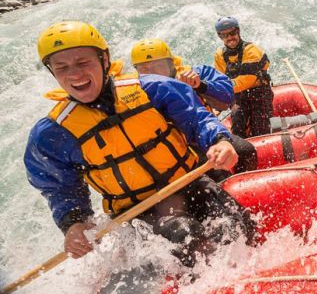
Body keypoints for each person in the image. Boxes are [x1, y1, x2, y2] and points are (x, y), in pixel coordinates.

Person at [25, 22, 255, 266]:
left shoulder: (152, 88)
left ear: (104, 60)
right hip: (138, 212)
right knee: (183, 234)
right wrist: (73, 222)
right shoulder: (53, 133)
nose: (74, 74)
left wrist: (219, 140)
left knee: (237, 225)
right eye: (62, 68)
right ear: (52, 72)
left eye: (83, 63)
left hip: (190, 183)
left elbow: (196, 118)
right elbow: (60, 187)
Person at [130, 38, 258, 175]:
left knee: (246, 150)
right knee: (217, 174)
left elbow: (228, 95)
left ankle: (243, 182)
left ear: (171, 64)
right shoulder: (136, 93)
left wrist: (201, 85)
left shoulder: (196, 73)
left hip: (206, 133)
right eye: (144, 68)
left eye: (157, 66)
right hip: (174, 147)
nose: (152, 73)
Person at [214, 17, 274, 138]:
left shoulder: (252, 50)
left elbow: (245, 81)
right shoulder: (219, 55)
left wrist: (224, 89)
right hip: (239, 96)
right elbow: (220, 80)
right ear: (220, 37)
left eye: (232, 33)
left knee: (260, 129)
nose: (230, 38)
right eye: (225, 35)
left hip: (259, 94)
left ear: (238, 31)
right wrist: (218, 103)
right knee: (238, 128)